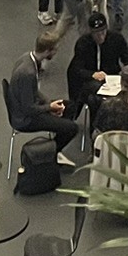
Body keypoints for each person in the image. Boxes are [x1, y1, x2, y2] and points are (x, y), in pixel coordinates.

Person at [8, 30, 83, 160]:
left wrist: (49, 104)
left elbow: (33, 92)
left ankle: (54, 143)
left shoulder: (26, 58)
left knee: (69, 107)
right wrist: (49, 107)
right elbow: (28, 109)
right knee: (72, 128)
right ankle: (50, 153)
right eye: (55, 50)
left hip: (26, 107)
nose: (56, 53)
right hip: (24, 119)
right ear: (48, 51)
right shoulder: (28, 73)